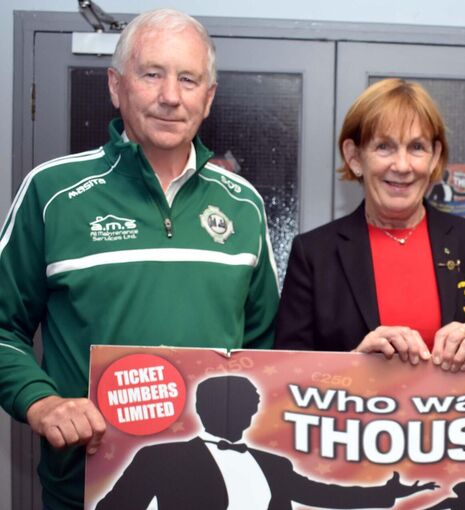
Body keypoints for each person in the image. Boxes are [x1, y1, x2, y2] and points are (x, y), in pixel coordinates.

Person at [0, 9, 279, 509]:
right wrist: (41, 401)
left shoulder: (244, 205)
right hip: (87, 489)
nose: (170, 96)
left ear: (208, 98)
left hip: (218, 495)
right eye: (152, 74)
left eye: (188, 79)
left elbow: (268, 356)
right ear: (116, 85)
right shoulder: (53, 193)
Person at [275, 78, 465, 369]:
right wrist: (355, 364)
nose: (402, 166)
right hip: (356, 414)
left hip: (459, 415)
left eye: (417, 147)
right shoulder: (315, 253)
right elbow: (287, 372)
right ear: (354, 157)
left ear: (435, 157)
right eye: (384, 147)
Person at [96, 375, 436, 509]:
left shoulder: (272, 463)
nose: (246, 413)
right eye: (242, 404)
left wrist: (389, 493)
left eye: (251, 406)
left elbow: (323, 494)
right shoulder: (160, 457)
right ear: (202, 408)